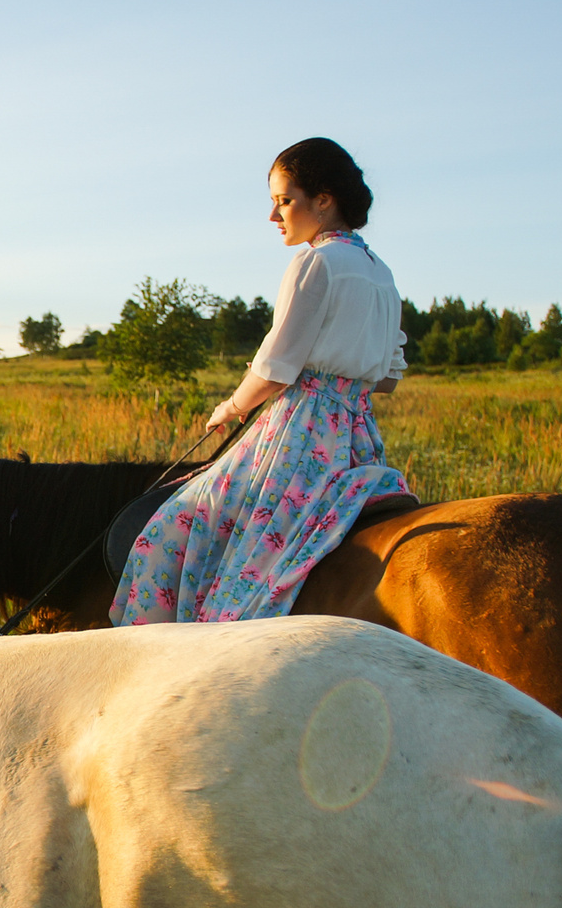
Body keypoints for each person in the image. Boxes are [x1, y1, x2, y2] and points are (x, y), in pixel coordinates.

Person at [110, 138, 413, 625]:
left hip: (300, 432)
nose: (275, 217)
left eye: (284, 201)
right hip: (357, 438)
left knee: (172, 527)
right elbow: (388, 379)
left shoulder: (316, 262)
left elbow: (275, 366)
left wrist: (230, 407)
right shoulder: (382, 273)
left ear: (324, 200)